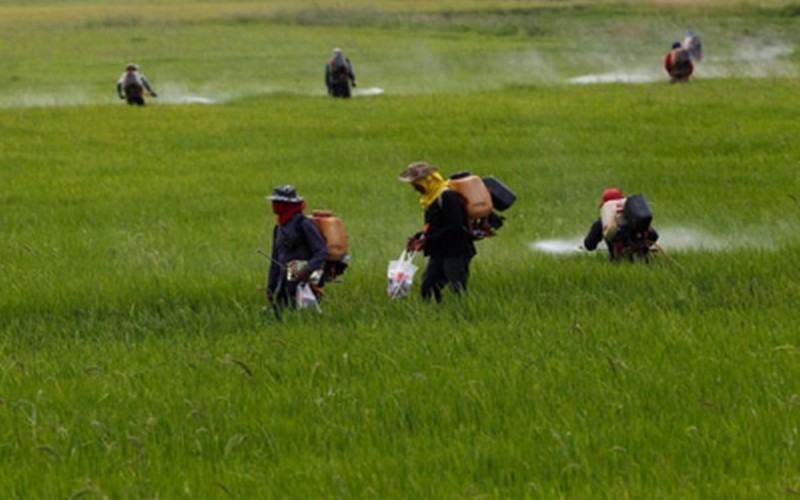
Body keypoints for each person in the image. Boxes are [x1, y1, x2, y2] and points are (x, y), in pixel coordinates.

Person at [399, 162, 476, 303]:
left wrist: (426, 241)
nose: (415, 188)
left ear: (426, 180)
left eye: (416, 184)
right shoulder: (430, 199)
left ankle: (463, 311)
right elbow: (433, 226)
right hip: (439, 251)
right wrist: (418, 237)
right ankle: (435, 312)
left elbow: (454, 227)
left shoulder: (447, 196)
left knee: (457, 289)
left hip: (456, 251)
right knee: (428, 288)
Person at [265, 185, 329, 310]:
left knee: (306, 313)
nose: (274, 206)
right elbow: (275, 260)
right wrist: (271, 287)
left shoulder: (303, 224)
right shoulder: (279, 228)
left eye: (277, 202)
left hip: (304, 279)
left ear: (286, 205)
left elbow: (321, 251)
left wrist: (307, 270)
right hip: (284, 280)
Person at [583, 187, 659, 262]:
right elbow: (654, 236)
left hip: (618, 262)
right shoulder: (635, 215)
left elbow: (589, 245)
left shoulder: (601, 222)